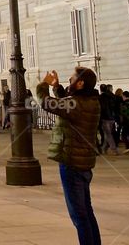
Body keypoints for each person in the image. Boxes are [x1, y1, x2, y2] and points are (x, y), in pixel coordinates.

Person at [37, 67, 101, 245]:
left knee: (79, 216)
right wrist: (57, 87)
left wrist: (44, 84)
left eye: (72, 79)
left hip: (72, 162)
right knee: (86, 212)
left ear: (80, 83)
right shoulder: (90, 101)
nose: (69, 81)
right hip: (83, 162)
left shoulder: (78, 104)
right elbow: (68, 103)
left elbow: (46, 103)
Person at [98, 85, 120, 155]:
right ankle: (104, 148)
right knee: (107, 134)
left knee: (108, 134)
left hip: (105, 117)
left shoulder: (101, 97)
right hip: (112, 117)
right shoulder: (113, 96)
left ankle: (114, 149)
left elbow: (102, 108)